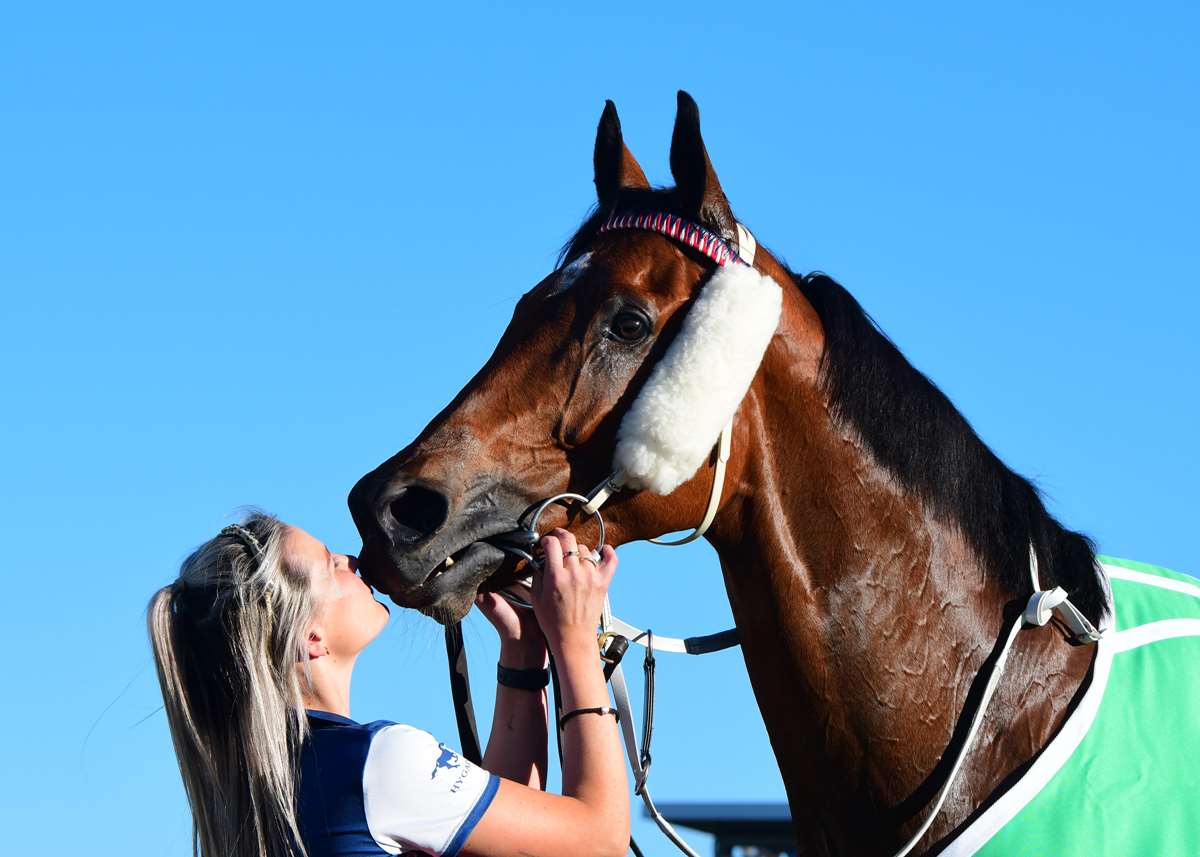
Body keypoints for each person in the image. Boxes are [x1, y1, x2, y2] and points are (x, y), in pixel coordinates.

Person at [148, 511, 628, 857]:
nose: (351, 561)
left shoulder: (264, 789)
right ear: (309, 637)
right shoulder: (377, 763)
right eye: (330, 565)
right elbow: (600, 841)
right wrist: (575, 641)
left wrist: (523, 652)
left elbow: (511, 840)